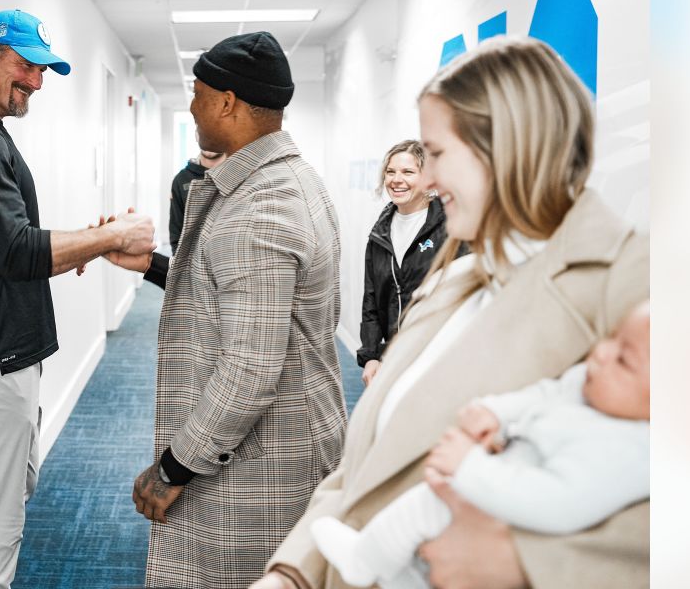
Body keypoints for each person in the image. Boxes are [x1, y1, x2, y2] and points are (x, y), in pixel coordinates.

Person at [253, 35, 649, 589]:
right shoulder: (457, 277)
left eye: (436, 154)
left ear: (505, 146)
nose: (427, 180)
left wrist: (522, 564)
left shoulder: (636, 280)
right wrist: (292, 575)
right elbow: (366, 467)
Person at [0, 9, 156, 589]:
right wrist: (111, 236)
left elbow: (2, 244)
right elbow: (15, 248)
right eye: (25, 66)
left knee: (0, 496)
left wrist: (81, 246)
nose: (36, 83)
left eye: (42, 71)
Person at [105, 31, 347, 589]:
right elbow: (235, 302)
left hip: (261, 461)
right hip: (285, 441)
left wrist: (172, 469)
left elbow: (249, 369)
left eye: (197, 92)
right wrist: (150, 266)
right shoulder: (292, 181)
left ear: (227, 102)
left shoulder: (260, 207)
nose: (191, 105)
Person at [312, 301, 650, 589]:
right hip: (498, 475)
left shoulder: (627, 452)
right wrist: (496, 412)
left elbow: (556, 501)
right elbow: (546, 392)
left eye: (624, 360)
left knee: (423, 508)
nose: (602, 353)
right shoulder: (589, 385)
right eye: (612, 338)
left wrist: (470, 466)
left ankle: (363, 561)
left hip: (508, 508)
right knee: (421, 536)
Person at [358, 140, 465, 386]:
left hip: (438, 359)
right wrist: (372, 355)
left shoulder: (451, 227)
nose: (396, 179)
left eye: (408, 172)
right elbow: (372, 300)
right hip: (393, 358)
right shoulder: (380, 233)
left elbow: (462, 298)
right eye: (390, 171)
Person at [169, 147, 226, 252]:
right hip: (193, 261)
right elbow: (176, 232)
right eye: (206, 132)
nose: (210, 140)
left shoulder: (240, 174)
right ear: (197, 136)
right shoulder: (181, 179)